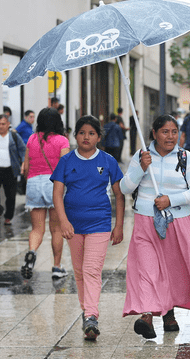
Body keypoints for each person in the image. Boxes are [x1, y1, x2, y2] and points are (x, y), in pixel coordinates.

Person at [120, 114, 190, 339]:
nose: (170, 136)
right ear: (154, 133)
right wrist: (141, 168)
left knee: (172, 272)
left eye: (174, 132)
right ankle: (148, 317)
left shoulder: (185, 157)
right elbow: (124, 187)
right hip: (145, 222)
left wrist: (171, 199)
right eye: (164, 132)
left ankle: (169, 315)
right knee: (148, 270)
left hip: (177, 222)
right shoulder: (142, 156)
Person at [51, 115, 124, 341]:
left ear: (99, 137)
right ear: (75, 136)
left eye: (91, 133)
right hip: (73, 225)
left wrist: (118, 225)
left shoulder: (108, 160)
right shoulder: (66, 161)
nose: (86, 137)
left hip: (99, 223)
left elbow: (119, 195)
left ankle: (92, 315)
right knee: (80, 271)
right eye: (82, 132)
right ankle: (87, 313)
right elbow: (57, 194)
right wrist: (63, 221)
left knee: (92, 270)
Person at [20, 108, 70, 280]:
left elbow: (25, 168)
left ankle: (31, 253)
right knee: (56, 229)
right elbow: (65, 169)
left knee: (37, 229)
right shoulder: (62, 141)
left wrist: (31, 181)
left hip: (34, 182)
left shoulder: (32, 139)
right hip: (53, 184)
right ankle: (57, 267)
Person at [0, 115, 26, 225]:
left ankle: (8, 217)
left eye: (3, 124)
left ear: (8, 124)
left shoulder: (14, 136)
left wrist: (23, 163)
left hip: (10, 170)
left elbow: (23, 150)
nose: (1, 126)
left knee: (10, 195)